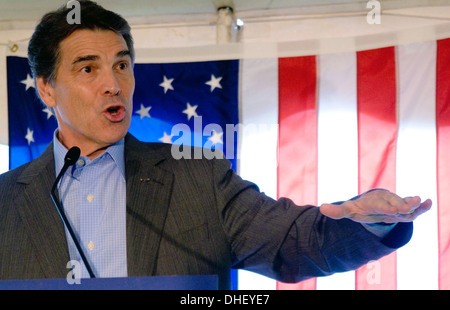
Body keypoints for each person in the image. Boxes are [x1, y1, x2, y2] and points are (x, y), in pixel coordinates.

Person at [0, 0, 432, 290]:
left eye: (121, 65)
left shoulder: (198, 177)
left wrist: (368, 221)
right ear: (47, 90)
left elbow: (293, 243)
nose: (113, 85)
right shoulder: (5, 202)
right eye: (88, 69)